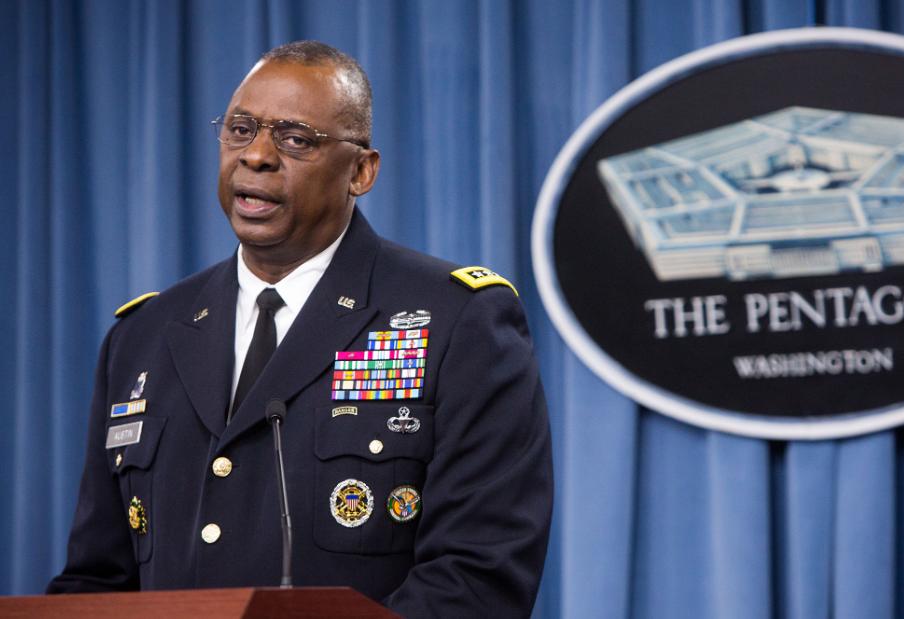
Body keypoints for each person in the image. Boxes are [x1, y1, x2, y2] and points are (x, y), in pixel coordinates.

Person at [46, 41, 553, 618]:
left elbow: (478, 578)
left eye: (295, 139)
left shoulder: (455, 319)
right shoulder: (144, 334)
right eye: (240, 129)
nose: (256, 156)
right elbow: (97, 579)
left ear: (361, 171)